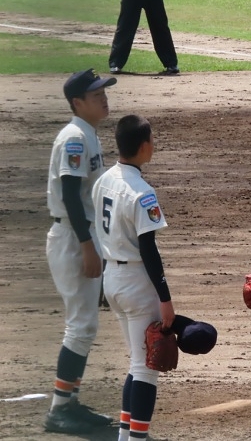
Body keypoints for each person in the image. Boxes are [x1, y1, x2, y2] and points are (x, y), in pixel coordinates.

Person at [92, 114, 175, 441]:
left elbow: (100, 233)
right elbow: (149, 250)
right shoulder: (142, 192)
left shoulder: (103, 181)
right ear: (143, 146)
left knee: (137, 362)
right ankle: (136, 438)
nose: (153, 144)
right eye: (151, 139)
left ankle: (125, 436)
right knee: (146, 369)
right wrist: (165, 299)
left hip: (112, 278)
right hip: (137, 284)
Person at [45, 68, 117, 434]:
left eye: (104, 92)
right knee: (80, 326)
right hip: (73, 238)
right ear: (77, 103)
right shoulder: (75, 138)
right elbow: (72, 196)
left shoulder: (87, 133)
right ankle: (60, 409)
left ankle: (69, 402)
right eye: (96, 95)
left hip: (81, 236)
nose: (103, 98)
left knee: (84, 325)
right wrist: (88, 247)